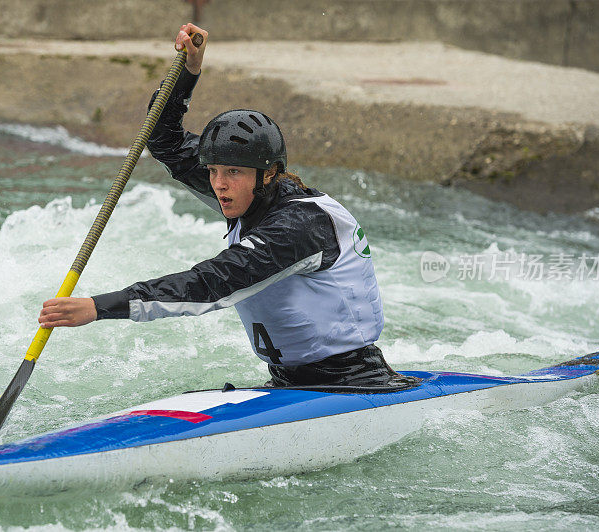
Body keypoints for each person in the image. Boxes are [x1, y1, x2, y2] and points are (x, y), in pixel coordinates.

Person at [38, 23, 405, 388]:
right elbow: (163, 140)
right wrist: (187, 71)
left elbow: (213, 283)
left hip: (354, 380)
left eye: (232, 172)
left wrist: (100, 307)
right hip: (288, 382)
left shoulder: (299, 226)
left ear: (269, 173)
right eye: (213, 170)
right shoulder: (242, 190)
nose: (218, 184)